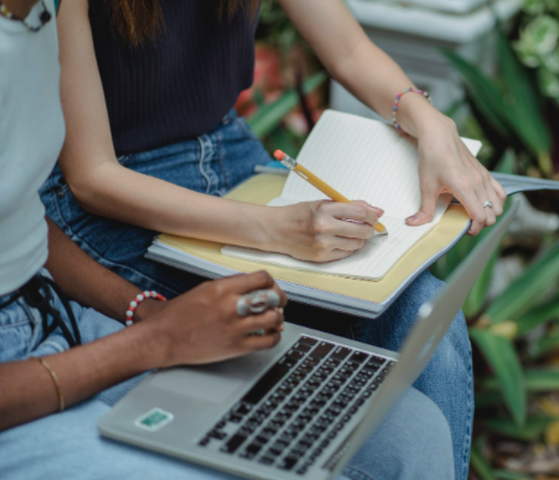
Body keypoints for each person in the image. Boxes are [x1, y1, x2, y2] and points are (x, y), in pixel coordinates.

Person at [42, 1, 508, 477]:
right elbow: (92, 177)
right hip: (122, 197)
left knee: (425, 315)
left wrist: (428, 121)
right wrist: (276, 229)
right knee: (273, 339)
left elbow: (348, 48)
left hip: (227, 151)